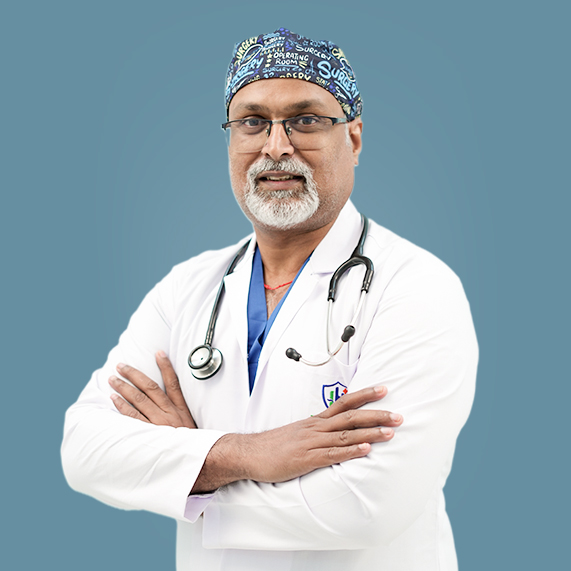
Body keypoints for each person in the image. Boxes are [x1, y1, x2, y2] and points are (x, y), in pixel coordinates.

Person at [62, 28, 478, 571]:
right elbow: (84, 450)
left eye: (305, 120)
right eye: (253, 121)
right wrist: (246, 453)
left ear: (353, 139)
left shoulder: (416, 286)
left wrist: (191, 476)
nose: (276, 146)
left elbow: (369, 504)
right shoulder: (187, 288)